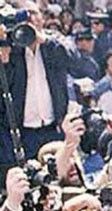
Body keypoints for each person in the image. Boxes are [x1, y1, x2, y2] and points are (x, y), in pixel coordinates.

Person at [0, 1, 70, 159]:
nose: (30, 19)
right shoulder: (11, 49)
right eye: (24, 15)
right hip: (23, 132)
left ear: (42, 17)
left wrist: (41, 39)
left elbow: (71, 59)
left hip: (53, 128)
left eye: (33, 13)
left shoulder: (53, 42)